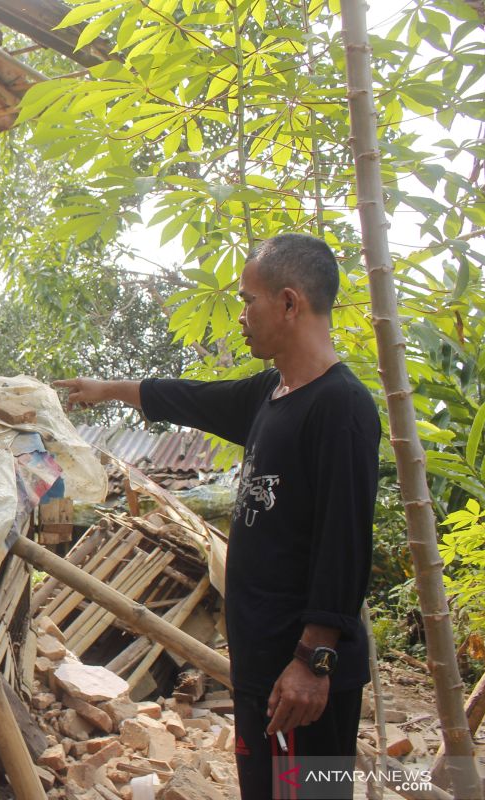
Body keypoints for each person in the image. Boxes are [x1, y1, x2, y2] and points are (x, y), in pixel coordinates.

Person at [54, 234, 379, 800]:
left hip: (299, 680)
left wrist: (313, 662)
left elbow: (344, 547)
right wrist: (107, 389)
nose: (242, 316)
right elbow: (194, 397)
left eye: (248, 300)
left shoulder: (340, 408)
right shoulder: (273, 393)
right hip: (261, 666)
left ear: (288, 302)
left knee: (307, 796)